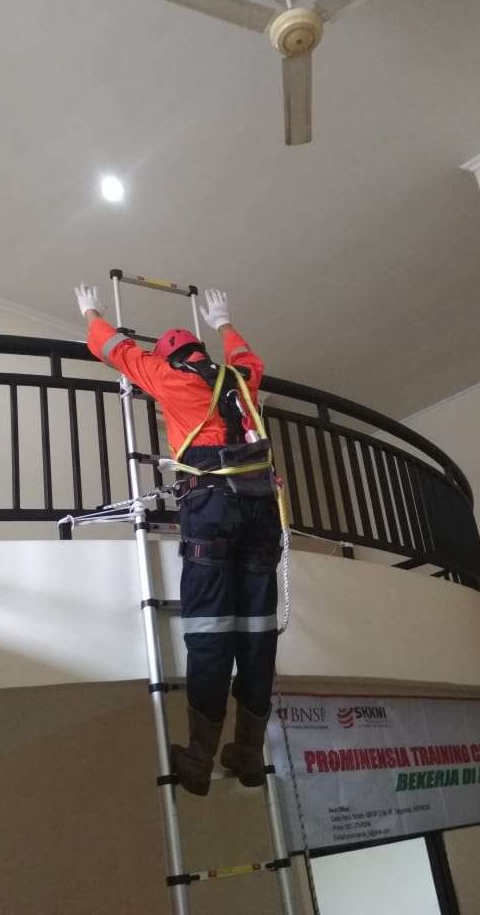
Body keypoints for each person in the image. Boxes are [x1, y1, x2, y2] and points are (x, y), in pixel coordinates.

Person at [74, 284, 281, 796]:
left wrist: (91, 312)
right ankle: (248, 754)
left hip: (212, 512)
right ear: (201, 353)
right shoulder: (239, 379)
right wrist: (224, 322)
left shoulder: (169, 377)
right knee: (257, 637)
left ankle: (199, 760)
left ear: (172, 357)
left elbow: (116, 350)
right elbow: (248, 357)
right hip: (261, 515)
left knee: (210, 635)